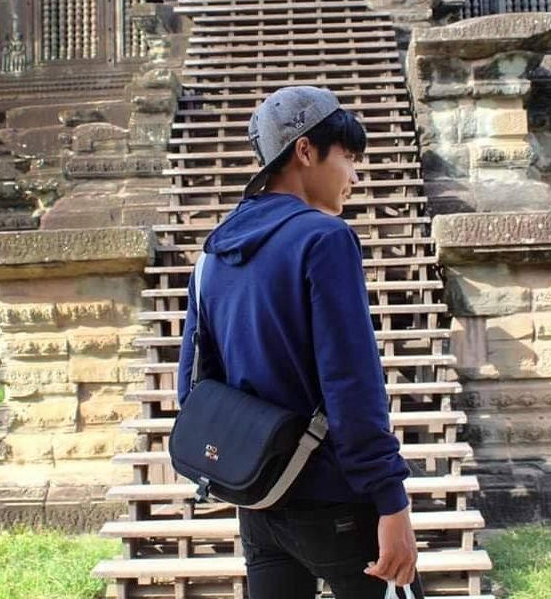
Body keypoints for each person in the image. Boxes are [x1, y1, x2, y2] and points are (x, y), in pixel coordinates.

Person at [178, 86, 418, 599]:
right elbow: (352, 383)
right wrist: (391, 500)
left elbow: (191, 388)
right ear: (306, 151)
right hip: (337, 498)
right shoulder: (324, 239)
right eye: (349, 158)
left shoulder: (212, 256)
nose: (355, 177)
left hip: (259, 496)